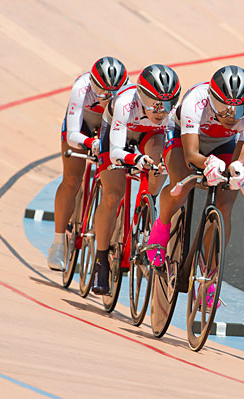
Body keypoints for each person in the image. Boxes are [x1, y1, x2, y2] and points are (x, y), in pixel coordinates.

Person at [147, 65, 244, 282]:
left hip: (223, 143)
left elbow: (240, 160)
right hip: (184, 137)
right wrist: (209, 162)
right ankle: (161, 229)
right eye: (222, 107)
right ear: (211, 98)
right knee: (181, 187)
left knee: (226, 204)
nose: (230, 116)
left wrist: (238, 171)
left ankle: (211, 273)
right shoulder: (195, 101)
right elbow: (191, 155)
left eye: (238, 110)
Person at [90, 64, 181, 294]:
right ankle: (101, 260)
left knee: (158, 167)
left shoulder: (172, 112)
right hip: (118, 137)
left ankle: (146, 211)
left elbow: (174, 146)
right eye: (154, 103)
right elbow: (116, 152)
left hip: (149, 137)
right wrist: (136, 159)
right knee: (113, 195)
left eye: (167, 104)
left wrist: (162, 166)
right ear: (141, 96)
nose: (161, 111)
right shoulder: (124, 103)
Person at [47, 57, 128, 271]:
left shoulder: (128, 95)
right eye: (101, 93)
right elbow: (73, 133)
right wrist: (90, 142)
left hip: (111, 125)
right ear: (92, 85)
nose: (107, 98)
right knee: (72, 178)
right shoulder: (81, 87)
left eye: (113, 94)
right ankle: (57, 243)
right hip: (83, 125)